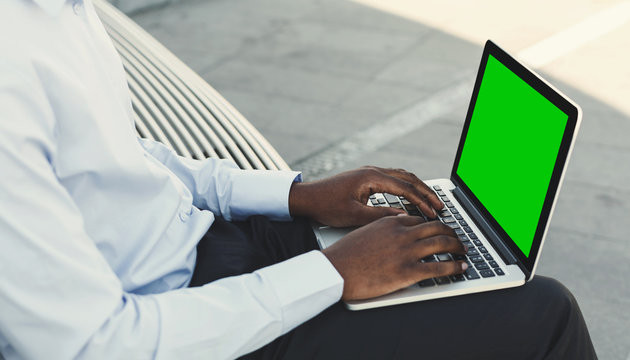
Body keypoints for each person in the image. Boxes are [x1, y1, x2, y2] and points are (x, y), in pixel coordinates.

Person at [0, 0, 597, 359]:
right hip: (183, 324)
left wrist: (296, 195)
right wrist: (333, 274)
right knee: (542, 312)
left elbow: (128, 158)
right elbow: (92, 348)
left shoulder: (61, 13)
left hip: (207, 250)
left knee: (420, 236)